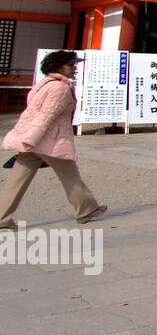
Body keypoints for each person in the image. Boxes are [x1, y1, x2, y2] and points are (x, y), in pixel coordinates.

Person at [1, 50, 108, 229]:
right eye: (71, 65)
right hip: (50, 140)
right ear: (59, 66)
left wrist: (28, 140)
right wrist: (31, 140)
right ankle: (86, 209)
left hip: (35, 139)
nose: (74, 68)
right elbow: (46, 116)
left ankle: (2, 217)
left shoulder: (44, 83)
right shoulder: (60, 87)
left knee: (17, 180)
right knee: (70, 175)